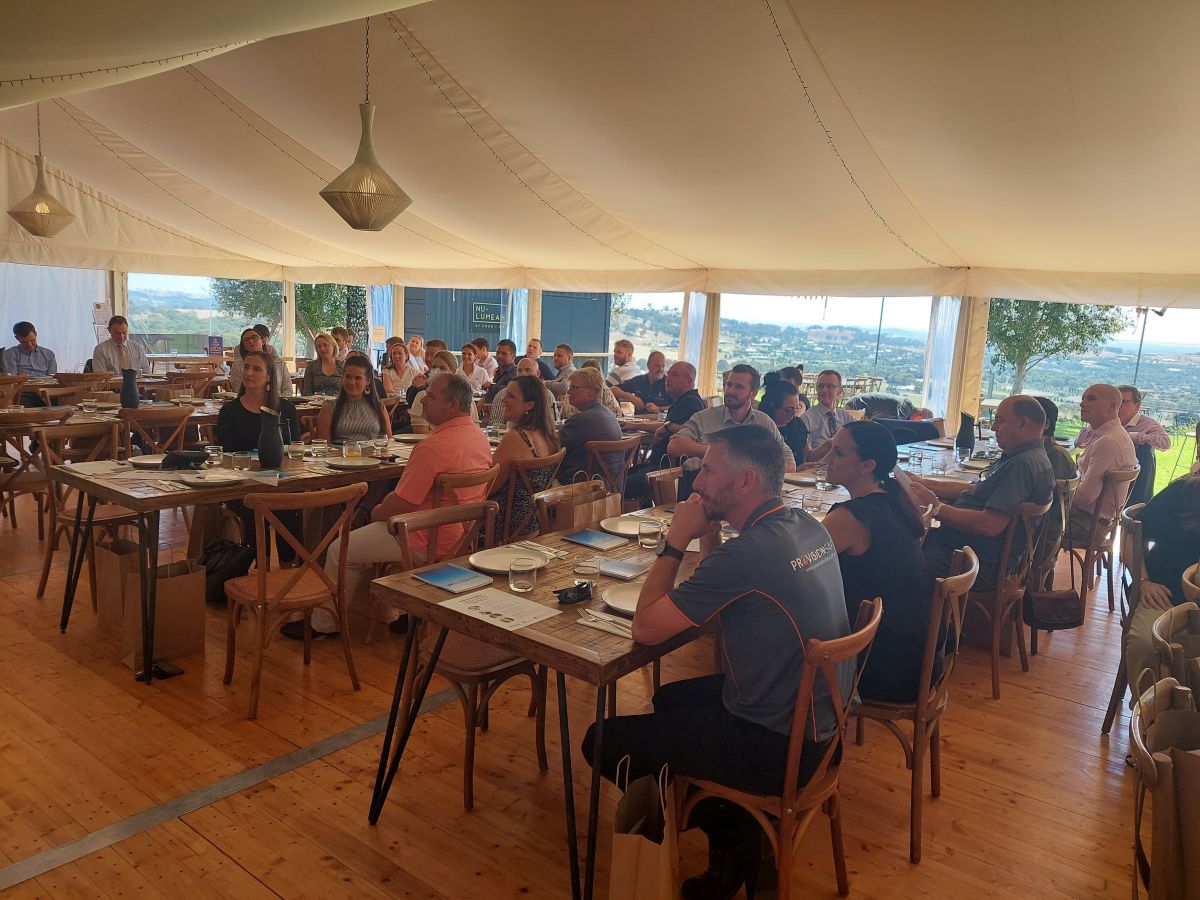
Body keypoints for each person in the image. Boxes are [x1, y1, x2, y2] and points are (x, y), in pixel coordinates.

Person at [582, 426, 851, 898]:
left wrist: (676, 540)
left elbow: (644, 628)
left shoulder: (747, 556)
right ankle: (733, 842)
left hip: (777, 747)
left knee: (601, 740)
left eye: (708, 469)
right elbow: (731, 588)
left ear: (745, 482)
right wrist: (710, 537)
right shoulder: (802, 525)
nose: (697, 481)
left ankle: (736, 828)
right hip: (822, 727)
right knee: (669, 698)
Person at [295, 373, 492, 638]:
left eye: (431, 395)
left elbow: (400, 505)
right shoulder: (479, 438)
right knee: (365, 531)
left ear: (452, 405)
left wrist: (374, 512)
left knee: (340, 548)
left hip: (423, 537)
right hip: (461, 535)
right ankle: (404, 611)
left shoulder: (432, 447)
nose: (422, 400)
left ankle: (324, 625)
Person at [822, 421, 935, 702]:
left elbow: (796, 566)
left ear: (867, 465)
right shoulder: (895, 500)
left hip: (885, 667)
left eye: (838, 453)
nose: (827, 459)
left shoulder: (852, 518)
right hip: (922, 658)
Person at [910, 395, 1055, 586]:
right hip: (971, 551)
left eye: (1000, 420)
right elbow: (976, 489)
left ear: (1022, 424)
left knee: (893, 557)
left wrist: (937, 508)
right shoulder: (1029, 455)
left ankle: (904, 613)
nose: (994, 427)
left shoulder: (1022, 465)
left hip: (972, 563)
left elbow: (989, 525)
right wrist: (925, 484)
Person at [215, 349, 303, 562]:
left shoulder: (286, 409)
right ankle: (258, 567)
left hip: (281, 482)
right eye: (246, 367)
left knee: (296, 505)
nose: (249, 373)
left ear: (269, 376)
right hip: (242, 485)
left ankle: (288, 567)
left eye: (256, 369)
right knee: (257, 505)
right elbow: (226, 457)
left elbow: (292, 451)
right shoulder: (229, 412)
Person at [1123, 474, 1200, 693]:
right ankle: (1150, 715)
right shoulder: (1180, 495)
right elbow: (1131, 534)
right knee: (1148, 644)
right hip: (1164, 593)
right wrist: (1143, 581)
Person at [667, 364, 796, 473]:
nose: (730, 391)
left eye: (738, 387)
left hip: (749, 493)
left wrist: (757, 469)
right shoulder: (704, 417)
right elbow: (674, 446)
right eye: (729, 385)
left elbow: (790, 462)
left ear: (753, 393)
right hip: (707, 490)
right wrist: (716, 452)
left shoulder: (763, 422)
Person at [623, 361, 706, 504]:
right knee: (624, 476)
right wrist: (632, 425)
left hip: (669, 471)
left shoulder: (691, 402)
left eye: (674, 375)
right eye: (668, 374)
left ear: (689, 381)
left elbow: (692, 433)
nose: (667, 378)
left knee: (618, 486)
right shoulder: (685, 400)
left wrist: (668, 427)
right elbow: (669, 425)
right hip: (660, 465)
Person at [488, 375, 561, 538]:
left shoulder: (516, 438)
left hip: (501, 527)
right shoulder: (549, 437)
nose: (503, 400)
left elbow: (488, 487)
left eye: (511, 396)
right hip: (532, 523)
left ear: (529, 405)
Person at [1068, 383, 1137, 542]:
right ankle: (1041, 565)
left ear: (1113, 406)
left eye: (1091, 399)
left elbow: (1085, 497)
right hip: (1094, 520)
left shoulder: (1109, 441)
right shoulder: (1111, 435)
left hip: (1088, 523)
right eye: (1083, 399)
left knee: (1024, 518)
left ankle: (1033, 566)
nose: (1082, 403)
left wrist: (1058, 489)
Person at [1031, 396, 1079, 587]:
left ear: (1045, 424)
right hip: (1040, 536)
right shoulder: (1048, 452)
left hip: (1036, 543)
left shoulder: (1051, 457)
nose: (995, 427)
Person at [557, 367, 622, 483]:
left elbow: (551, 447)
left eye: (574, 387)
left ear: (592, 392)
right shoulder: (609, 415)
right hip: (609, 489)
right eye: (569, 386)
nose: (568, 391)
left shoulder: (580, 421)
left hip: (580, 489)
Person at [315, 356, 391, 443]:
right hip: (339, 455)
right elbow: (324, 446)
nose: (352, 382)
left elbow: (388, 441)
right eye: (347, 377)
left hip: (372, 455)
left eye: (358, 378)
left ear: (368, 381)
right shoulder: (329, 408)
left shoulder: (378, 406)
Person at [1075, 384, 1171, 452]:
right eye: (1116, 401)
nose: (1118, 405)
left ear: (1137, 406)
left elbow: (1165, 443)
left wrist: (1135, 437)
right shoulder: (1105, 420)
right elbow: (1080, 444)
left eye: (1123, 402)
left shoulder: (1147, 423)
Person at [412, 350, 479, 431]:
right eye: (434, 367)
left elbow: (474, 428)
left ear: (453, 371)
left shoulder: (467, 398)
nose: (436, 371)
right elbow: (421, 434)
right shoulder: (422, 397)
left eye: (442, 368)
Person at [798, 369, 855, 460]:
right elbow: (807, 458)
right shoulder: (806, 419)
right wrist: (832, 443)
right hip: (818, 469)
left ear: (839, 391)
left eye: (830, 386)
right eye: (820, 386)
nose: (824, 390)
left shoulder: (846, 417)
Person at [759, 375, 808, 466]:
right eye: (788, 410)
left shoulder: (797, 425)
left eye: (796, 409)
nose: (793, 415)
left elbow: (807, 455)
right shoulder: (761, 427)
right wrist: (796, 471)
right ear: (772, 406)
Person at [229, 328, 291, 397]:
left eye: (254, 337)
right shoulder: (239, 365)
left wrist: (278, 403)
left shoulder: (279, 363)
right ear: (244, 346)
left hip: (278, 403)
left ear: (263, 341)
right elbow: (237, 390)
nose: (251, 341)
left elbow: (287, 389)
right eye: (246, 340)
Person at [487, 357, 541, 426]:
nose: (523, 374)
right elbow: (495, 424)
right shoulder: (502, 395)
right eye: (520, 370)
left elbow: (553, 423)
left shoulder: (546, 395)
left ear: (538, 373)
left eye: (528, 370)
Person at [301, 332, 344, 397]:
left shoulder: (343, 366)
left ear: (333, 346)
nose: (322, 349)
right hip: (315, 404)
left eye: (325, 345)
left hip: (338, 404)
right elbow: (307, 392)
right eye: (319, 346)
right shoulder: (312, 366)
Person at [483, 339, 518, 403]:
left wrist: (490, 386)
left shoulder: (515, 373)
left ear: (513, 356)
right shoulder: (498, 371)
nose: (499, 356)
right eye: (497, 353)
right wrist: (484, 398)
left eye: (504, 353)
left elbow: (508, 391)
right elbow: (491, 393)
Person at [842, 392, 916, 421]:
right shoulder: (907, 406)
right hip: (857, 406)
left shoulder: (904, 404)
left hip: (858, 403)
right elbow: (898, 424)